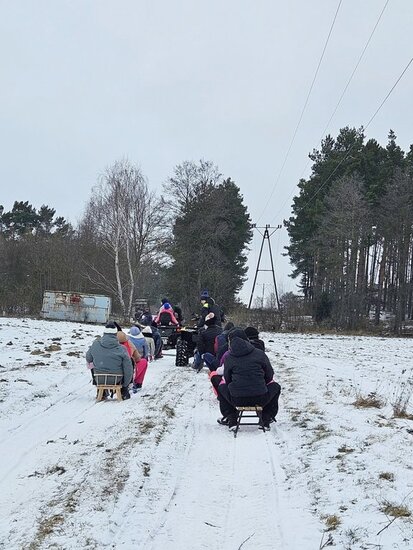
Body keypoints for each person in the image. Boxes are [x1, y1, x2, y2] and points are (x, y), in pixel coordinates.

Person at [217, 328, 281, 431]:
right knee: (276, 387)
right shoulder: (260, 354)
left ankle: (232, 419)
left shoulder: (229, 357)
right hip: (261, 398)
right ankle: (266, 418)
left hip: (237, 399)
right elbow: (269, 375)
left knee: (221, 387)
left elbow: (227, 379)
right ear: (247, 339)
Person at [86, 322, 133, 400]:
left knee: (92, 364)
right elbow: (128, 368)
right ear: (115, 334)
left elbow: (88, 359)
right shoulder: (122, 348)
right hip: (116, 379)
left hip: (99, 378)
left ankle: (101, 391)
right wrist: (125, 384)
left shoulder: (95, 344)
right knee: (126, 363)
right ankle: (123, 392)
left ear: (104, 333)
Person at [128, 326, 149, 392]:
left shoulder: (128, 339)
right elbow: (146, 350)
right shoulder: (143, 340)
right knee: (143, 364)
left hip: (128, 359)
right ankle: (138, 383)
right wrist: (145, 357)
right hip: (138, 359)